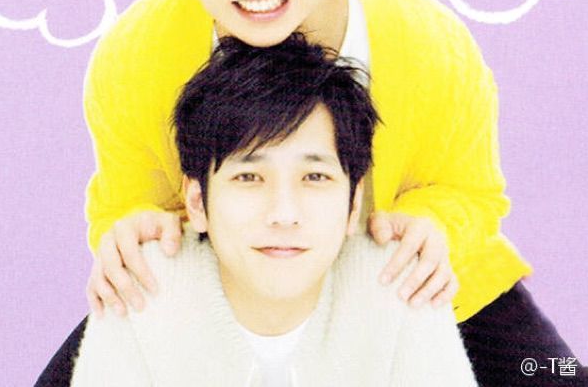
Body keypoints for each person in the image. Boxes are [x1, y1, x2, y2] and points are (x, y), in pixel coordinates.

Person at [82, 0, 586, 386]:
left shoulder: (432, 47)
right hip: (237, 289)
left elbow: (472, 192)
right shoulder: (134, 59)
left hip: (416, 286)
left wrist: (433, 226)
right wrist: (135, 230)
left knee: (558, 377)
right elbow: (127, 202)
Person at [72, 35, 477, 386]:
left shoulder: (401, 283)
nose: (284, 214)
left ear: (354, 204)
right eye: (249, 177)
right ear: (196, 202)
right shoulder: (142, 285)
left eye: (314, 177)